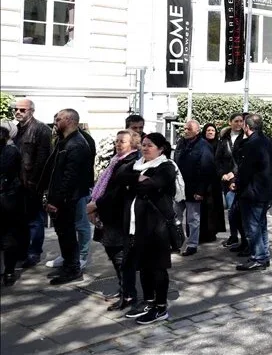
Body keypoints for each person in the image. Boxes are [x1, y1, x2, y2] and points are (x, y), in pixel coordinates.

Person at [121, 133, 178, 325]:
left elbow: (151, 186)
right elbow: (119, 178)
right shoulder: (138, 165)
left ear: (161, 149)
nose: (145, 148)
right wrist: (138, 178)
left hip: (158, 226)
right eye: (143, 145)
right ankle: (149, 301)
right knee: (144, 266)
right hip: (138, 225)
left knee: (158, 267)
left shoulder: (166, 166)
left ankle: (161, 307)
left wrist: (135, 182)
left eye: (150, 145)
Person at [86, 129, 140, 310]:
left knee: (120, 257)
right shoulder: (117, 160)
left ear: (132, 143)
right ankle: (123, 288)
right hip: (109, 214)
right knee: (114, 253)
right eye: (117, 141)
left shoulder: (130, 162)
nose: (118, 144)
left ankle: (129, 295)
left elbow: (116, 193)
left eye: (122, 141)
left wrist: (96, 205)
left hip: (118, 216)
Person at [39, 109, 92, 285]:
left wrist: (56, 201)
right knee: (63, 233)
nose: (55, 121)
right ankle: (69, 264)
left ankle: (72, 268)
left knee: (68, 233)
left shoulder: (76, 144)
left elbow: (70, 177)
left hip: (68, 199)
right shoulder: (64, 141)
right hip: (62, 198)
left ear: (69, 120)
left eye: (58, 118)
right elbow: (54, 170)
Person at [12, 98, 52, 268]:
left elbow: (43, 159)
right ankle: (21, 251)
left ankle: (34, 252)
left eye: (23, 110)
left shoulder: (41, 129)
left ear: (31, 111)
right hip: (15, 182)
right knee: (19, 219)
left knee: (35, 220)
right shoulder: (15, 130)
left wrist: (35, 182)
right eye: (16, 109)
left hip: (32, 182)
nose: (18, 112)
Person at [233, 114, 272, 270]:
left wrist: (237, 183)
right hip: (264, 190)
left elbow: (246, 170)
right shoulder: (266, 141)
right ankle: (263, 255)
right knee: (261, 224)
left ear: (247, 127)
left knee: (253, 226)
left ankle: (258, 257)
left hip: (253, 191)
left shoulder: (252, 143)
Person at [173, 120, 215, 257]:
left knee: (193, 218)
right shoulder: (181, 143)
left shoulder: (204, 146)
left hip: (194, 188)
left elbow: (207, 169)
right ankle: (176, 242)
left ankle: (192, 244)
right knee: (175, 216)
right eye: (185, 128)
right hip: (179, 187)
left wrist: (200, 190)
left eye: (189, 129)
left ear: (197, 131)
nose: (186, 131)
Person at [216, 112, 246, 250]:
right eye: (236, 121)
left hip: (238, 179)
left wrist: (233, 175)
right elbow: (218, 159)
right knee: (231, 209)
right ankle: (234, 236)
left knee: (238, 210)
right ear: (230, 122)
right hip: (226, 180)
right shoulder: (224, 138)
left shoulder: (245, 138)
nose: (239, 124)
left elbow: (243, 161)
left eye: (241, 121)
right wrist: (222, 173)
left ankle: (244, 239)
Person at [1, 120, 25, 286]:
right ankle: (8, 271)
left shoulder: (10, 151)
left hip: (7, 198)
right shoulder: (10, 149)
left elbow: (7, 172)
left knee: (9, 236)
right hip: (8, 196)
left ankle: (9, 271)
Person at [198, 123, 224, 243]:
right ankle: (202, 233)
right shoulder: (200, 144)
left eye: (213, 130)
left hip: (215, 181)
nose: (210, 132)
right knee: (202, 208)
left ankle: (212, 232)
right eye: (208, 130)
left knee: (214, 208)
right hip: (202, 180)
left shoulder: (219, 144)